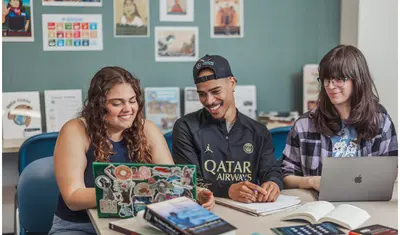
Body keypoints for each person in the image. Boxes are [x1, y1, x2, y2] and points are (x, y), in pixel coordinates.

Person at [49, 66, 214, 235]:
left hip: (134, 223)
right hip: (80, 227)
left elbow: (171, 181)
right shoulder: (76, 130)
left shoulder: (147, 129)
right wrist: (138, 191)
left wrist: (195, 193)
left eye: (132, 100)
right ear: (97, 105)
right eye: (117, 103)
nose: (128, 109)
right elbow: (73, 198)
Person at [282, 45, 398, 191]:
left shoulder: (380, 120)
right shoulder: (305, 124)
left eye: (339, 79)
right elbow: (285, 175)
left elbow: (390, 171)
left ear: (358, 80)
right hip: (318, 206)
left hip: (366, 206)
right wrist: (311, 181)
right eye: (326, 79)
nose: (330, 86)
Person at [172, 54, 283, 203]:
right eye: (202, 94)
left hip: (250, 210)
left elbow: (271, 170)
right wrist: (228, 190)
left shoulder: (259, 131)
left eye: (216, 91)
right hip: (206, 209)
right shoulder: (185, 127)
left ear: (232, 83)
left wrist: (273, 183)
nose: (209, 101)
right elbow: (188, 180)